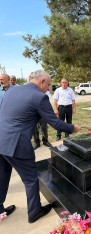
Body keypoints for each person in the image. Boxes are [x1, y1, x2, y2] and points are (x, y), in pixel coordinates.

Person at [0, 70, 81, 223]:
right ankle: (34, 212)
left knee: (1, 177)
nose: (48, 89)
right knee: (31, 179)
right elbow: (55, 122)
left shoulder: (12, 91)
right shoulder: (39, 97)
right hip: (17, 144)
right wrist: (73, 128)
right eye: (48, 85)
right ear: (42, 81)